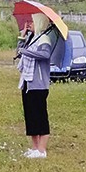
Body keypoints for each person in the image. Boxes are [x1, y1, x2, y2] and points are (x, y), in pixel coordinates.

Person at [17, 13, 55, 158]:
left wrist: (26, 51)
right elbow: (19, 53)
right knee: (30, 115)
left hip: (38, 83)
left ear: (39, 23)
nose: (29, 24)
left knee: (40, 116)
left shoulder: (44, 39)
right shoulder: (32, 38)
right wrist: (22, 37)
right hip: (27, 81)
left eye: (31, 22)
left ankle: (42, 149)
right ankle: (34, 147)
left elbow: (45, 55)